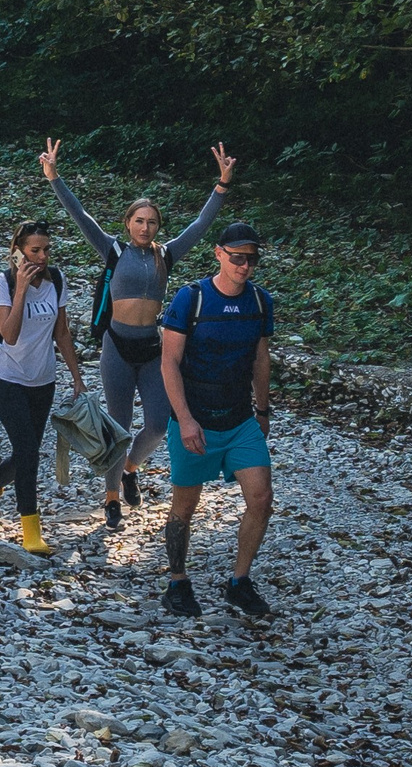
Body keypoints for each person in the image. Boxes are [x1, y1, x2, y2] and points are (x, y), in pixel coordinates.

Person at [42, 138, 235, 526]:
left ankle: (130, 468)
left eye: (152, 222)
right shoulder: (113, 250)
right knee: (119, 425)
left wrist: (222, 185)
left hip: (151, 349)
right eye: (139, 221)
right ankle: (112, 496)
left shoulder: (166, 255)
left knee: (158, 425)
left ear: (157, 227)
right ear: (128, 223)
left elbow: (200, 225)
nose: (145, 228)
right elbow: (80, 215)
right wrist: (53, 177)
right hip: (117, 346)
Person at [159, 222, 277, 619]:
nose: (244, 266)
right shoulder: (191, 299)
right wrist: (185, 419)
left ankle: (240, 582)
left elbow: (261, 358)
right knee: (185, 505)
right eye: (237, 257)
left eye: (251, 259)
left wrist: (262, 410)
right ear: (219, 254)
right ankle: (177, 581)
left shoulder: (259, 302)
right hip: (195, 415)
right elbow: (169, 361)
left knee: (261, 498)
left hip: (240, 417)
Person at [0, 221, 86, 554]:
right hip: (8, 381)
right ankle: (31, 531)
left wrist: (77, 377)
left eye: (46, 249)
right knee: (29, 452)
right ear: (18, 252)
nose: (42, 256)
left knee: (27, 451)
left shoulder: (56, 280)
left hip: (43, 382)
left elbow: (62, 333)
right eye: (35, 250)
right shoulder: (2, 283)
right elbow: (9, 334)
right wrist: (20, 289)